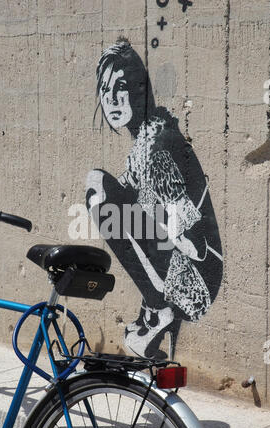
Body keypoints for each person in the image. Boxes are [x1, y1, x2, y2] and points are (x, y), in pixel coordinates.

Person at [86, 38, 223, 359]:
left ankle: (156, 312)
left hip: (196, 285)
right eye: (105, 91)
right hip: (191, 277)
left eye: (122, 85)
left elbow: (193, 242)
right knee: (106, 195)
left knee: (97, 189)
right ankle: (155, 315)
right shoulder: (145, 147)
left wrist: (156, 217)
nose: (112, 97)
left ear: (139, 88)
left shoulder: (154, 148)